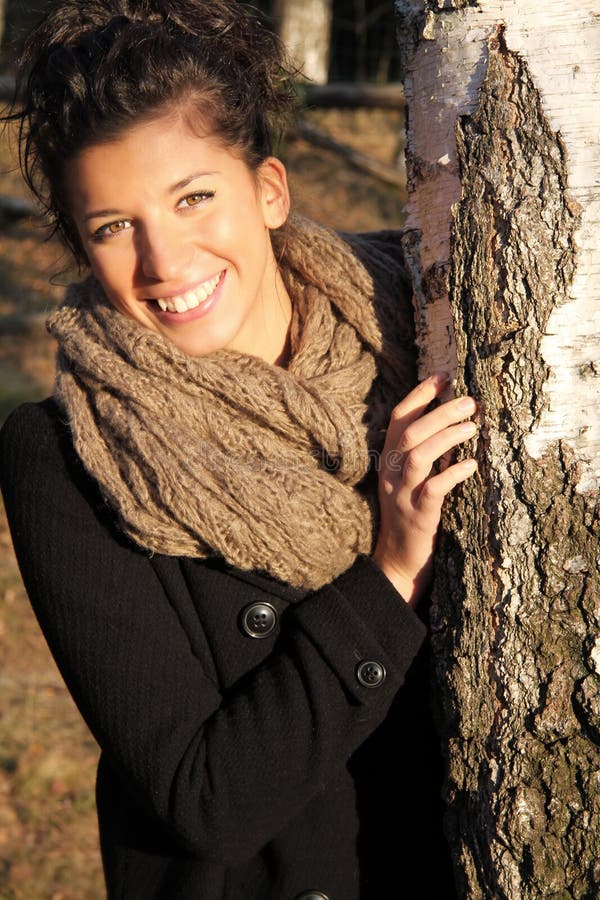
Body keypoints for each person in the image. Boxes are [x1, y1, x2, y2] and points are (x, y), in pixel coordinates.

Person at [0, 1, 478, 897]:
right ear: (81, 248)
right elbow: (205, 800)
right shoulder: (66, 454)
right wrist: (391, 570)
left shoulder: (428, 323)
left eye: (193, 198)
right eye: (112, 226)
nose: (164, 259)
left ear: (269, 190)